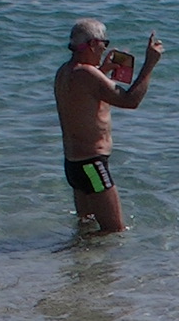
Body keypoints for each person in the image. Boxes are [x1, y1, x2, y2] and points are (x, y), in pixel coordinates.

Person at [54, 18, 163, 234]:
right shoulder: (87, 73)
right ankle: (100, 267)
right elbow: (131, 100)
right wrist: (150, 63)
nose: (105, 49)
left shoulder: (65, 72)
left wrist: (102, 71)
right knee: (114, 232)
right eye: (105, 43)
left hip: (74, 166)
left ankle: (79, 265)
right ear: (94, 44)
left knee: (86, 229)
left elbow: (84, 98)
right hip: (92, 165)